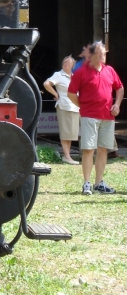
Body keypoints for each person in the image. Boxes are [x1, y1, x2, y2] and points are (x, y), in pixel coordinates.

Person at [67, 41, 123, 195]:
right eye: (99, 53)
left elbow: (120, 88)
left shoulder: (109, 70)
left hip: (107, 117)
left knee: (103, 149)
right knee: (88, 149)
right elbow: (71, 93)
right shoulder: (81, 72)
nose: (102, 56)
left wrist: (117, 105)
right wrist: (83, 106)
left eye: (104, 53)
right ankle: (87, 183)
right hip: (89, 117)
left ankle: (99, 183)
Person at [44, 56, 80, 164]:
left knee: (71, 133)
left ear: (72, 66)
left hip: (75, 107)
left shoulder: (75, 76)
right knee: (65, 132)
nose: (65, 64)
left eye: (68, 63)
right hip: (64, 106)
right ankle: (67, 156)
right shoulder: (58, 75)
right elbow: (46, 84)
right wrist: (55, 94)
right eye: (64, 62)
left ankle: (67, 156)